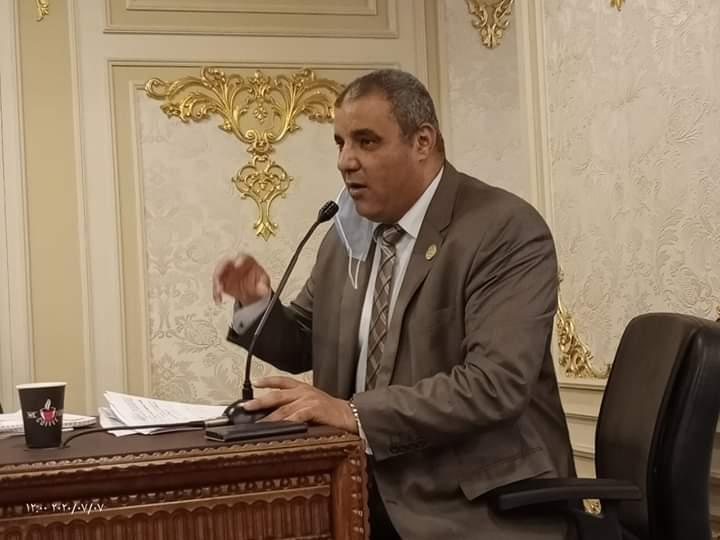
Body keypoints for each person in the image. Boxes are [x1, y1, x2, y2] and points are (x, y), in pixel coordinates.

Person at [212, 69, 575, 539]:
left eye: (366, 142)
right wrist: (255, 304)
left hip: (472, 506)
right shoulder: (346, 236)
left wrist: (353, 414)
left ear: (422, 142)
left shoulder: (503, 229)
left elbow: (494, 384)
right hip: (355, 489)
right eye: (340, 143)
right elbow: (304, 342)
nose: (346, 161)